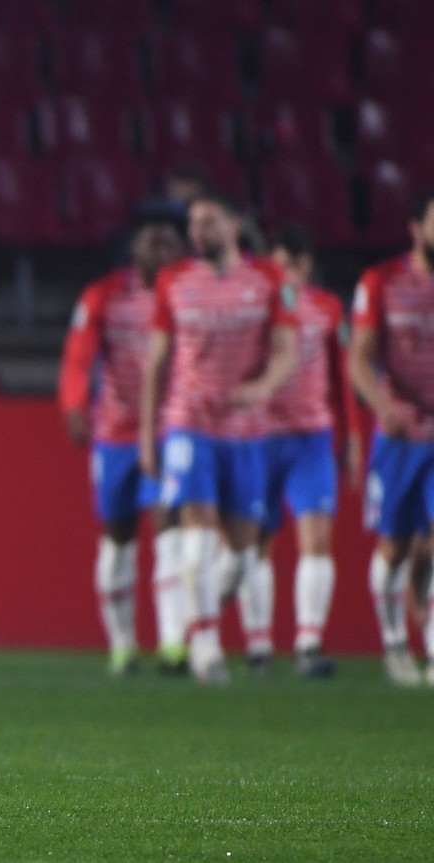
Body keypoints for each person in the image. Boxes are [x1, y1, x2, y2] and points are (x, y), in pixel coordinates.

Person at [138, 193, 300, 685]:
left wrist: (263, 389)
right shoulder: (174, 281)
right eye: (193, 222)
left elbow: (288, 349)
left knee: (242, 552)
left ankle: (204, 614)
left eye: (208, 221)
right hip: (190, 423)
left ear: (234, 224)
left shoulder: (271, 279)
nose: (198, 230)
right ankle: (206, 646)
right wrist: (149, 435)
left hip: (248, 430)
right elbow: (157, 363)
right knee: (195, 532)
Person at [58, 217, 187, 676]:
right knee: (118, 536)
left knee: (170, 529)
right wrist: (75, 404)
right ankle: (122, 644)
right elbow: (79, 355)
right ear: (133, 249)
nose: (158, 245)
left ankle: (174, 644)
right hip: (114, 433)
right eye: (151, 238)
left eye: (168, 239)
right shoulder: (104, 295)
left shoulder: (188, 295)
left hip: (171, 429)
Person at [234, 224, 361, 679]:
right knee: (257, 541)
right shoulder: (254, 306)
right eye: (281, 262)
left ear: (308, 266)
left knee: (317, 540)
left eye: (296, 262)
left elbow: (341, 377)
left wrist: (351, 436)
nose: (288, 271)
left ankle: (308, 642)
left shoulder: (327, 308)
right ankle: (259, 645)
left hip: (311, 437)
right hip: (260, 433)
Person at [347, 189, 434, 686]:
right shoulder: (381, 282)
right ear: (416, 228)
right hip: (399, 437)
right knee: (396, 547)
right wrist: (383, 407)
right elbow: (359, 356)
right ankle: (395, 645)